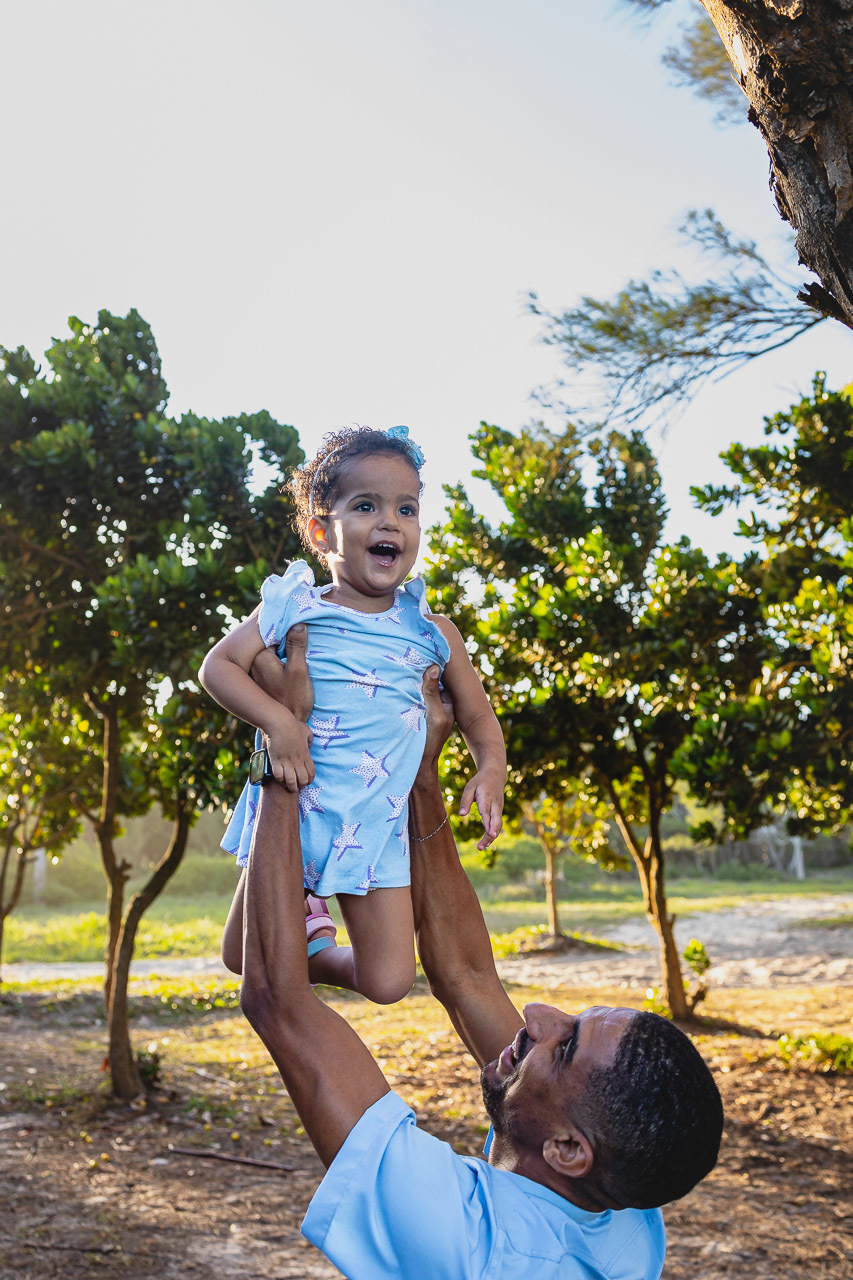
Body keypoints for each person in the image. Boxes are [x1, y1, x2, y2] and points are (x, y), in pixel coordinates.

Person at [237, 625, 724, 1280]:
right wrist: (421, 776)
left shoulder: (467, 1245)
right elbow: (465, 975)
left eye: (567, 1045)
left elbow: (277, 1000)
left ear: (567, 1149)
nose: (539, 1013)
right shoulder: (622, 1200)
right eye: (574, 1019)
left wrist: (283, 744)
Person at [199, 424, 506, 1003]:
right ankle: (303, 919)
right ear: (322, 530)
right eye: (366, 505)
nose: (390, 522)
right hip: (297, 804)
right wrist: (279, 723)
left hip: (377, 820)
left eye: (406, 508)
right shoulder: (295, 607)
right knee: (241, 955)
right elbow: (218, 667)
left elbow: (479, 719)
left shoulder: (433, 632)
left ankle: (315, 950)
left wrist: (490, 771)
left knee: (388, 981)